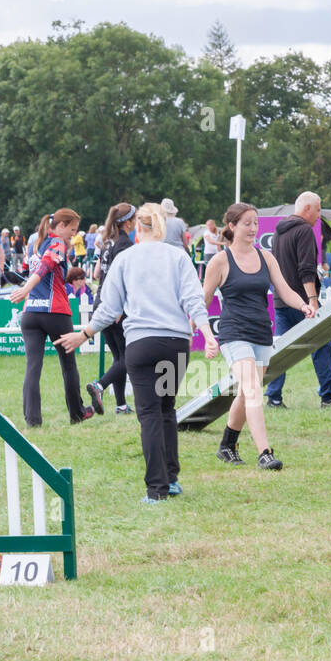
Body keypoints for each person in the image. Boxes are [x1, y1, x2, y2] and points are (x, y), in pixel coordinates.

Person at [56, 203, 218, 503]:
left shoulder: (126, 259)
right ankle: (170, 478)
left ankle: (156, 489)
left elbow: (110, 308)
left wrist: (84, 334)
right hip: (175, 344)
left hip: (142, 345)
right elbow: (194, 301)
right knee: (166, 409)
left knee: (149, 416)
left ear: (137, 227)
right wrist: (207, 335)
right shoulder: (178, 256)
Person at [203, 202, 315, 470]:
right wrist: (206, 335)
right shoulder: (220, 261)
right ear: (232, 226)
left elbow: (285, 290)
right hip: (234, 334)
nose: (253, 228)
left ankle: (227, 445)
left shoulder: (266, 257)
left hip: (262, 332)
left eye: (255, 223)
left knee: (247, 390)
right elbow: (202, 302)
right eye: (247, 223)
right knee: (252, 389)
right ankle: (265, 453)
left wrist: (303, 304)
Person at [9, 208, 94, 426]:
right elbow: (45, 268)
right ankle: (77, 413)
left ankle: (32, 420)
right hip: (55, 311)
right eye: (73, 230)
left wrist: (25, 288)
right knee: (68, 365)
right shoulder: (57, 243)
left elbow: (28, 268)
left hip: (30, 314)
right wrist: (27, 288)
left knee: (32, 366)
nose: (74, 236)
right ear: (61, 226)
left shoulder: (33, 244)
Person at [265, 191, 331, 409]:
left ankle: (273, 396)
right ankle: (329, 396)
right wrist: (313, 300)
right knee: (321, 344)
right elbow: (307, 269)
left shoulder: (279, 232)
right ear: (307, 208)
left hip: (281, 300)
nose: (319, 215)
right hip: (302, 301)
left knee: (281, 350)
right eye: (318, 209)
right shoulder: (305, 231)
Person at [86, 202, 138, 415]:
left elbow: (97, 274)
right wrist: (120, 308)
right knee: (128, 357)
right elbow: (124, 279)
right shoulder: (125, 243)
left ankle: (121, 404)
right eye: (135, 219)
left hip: (101, 301)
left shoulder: (107, 242)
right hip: (115, 305)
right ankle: (99, 386)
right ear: (127, 222)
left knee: (119, 357)